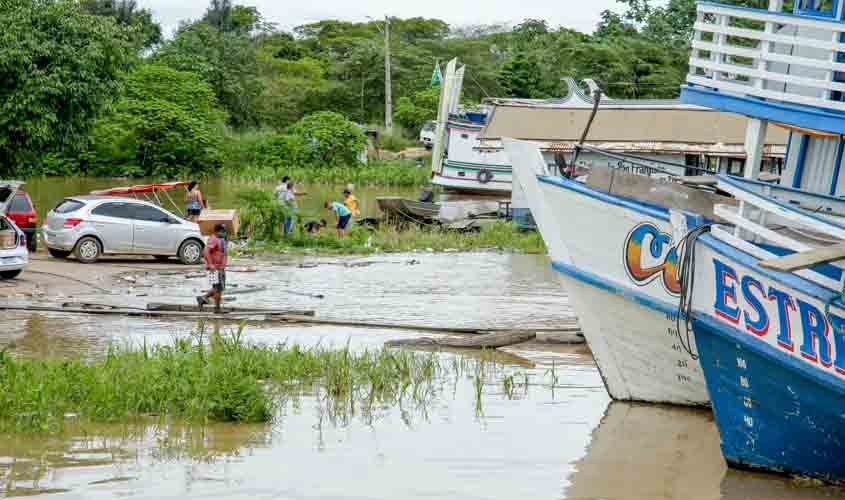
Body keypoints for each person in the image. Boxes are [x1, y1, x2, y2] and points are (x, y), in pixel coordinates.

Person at [197, 223, 228, 313]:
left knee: (219, 288)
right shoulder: (213, 239)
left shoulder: (221, 239)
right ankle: (215, 307)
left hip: (220, 267)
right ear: (217, 231)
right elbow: (206, 251)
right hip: (215, 268)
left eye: (225, 231)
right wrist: (210, 264)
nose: (224, 233)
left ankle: (204, 299)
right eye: (222, 231)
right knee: (218, 288)